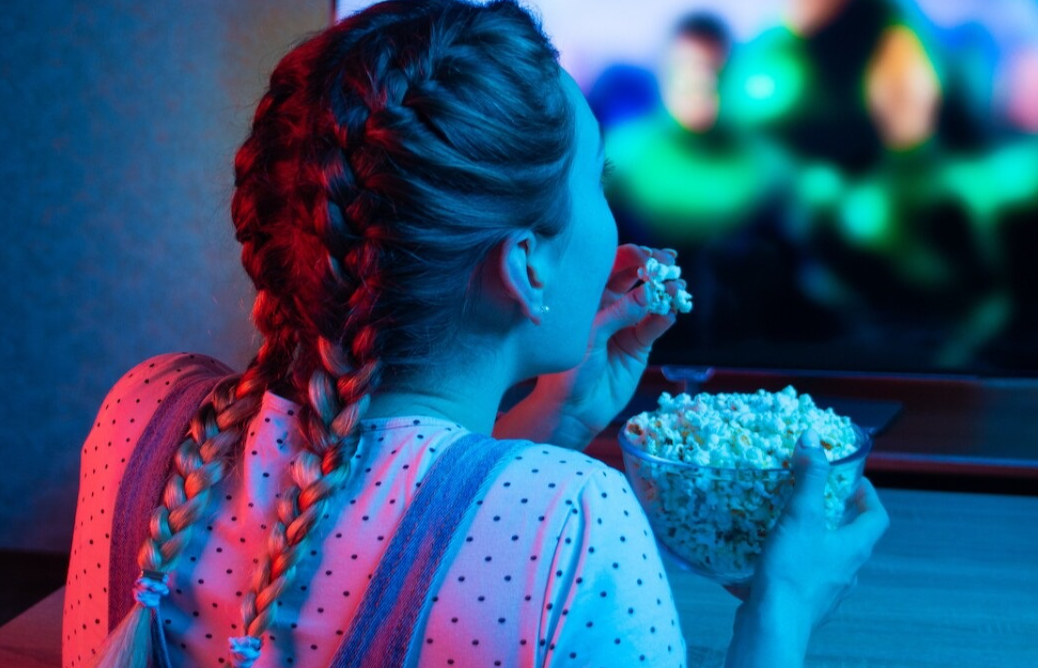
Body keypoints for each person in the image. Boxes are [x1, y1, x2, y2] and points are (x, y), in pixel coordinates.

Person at [62, 2, 889, 667]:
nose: (615, 224)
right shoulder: (577, 521)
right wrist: (783, 609)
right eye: (597, 184)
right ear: (526, 266)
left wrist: (560, 420)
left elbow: (398, 511)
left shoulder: (146, 414)